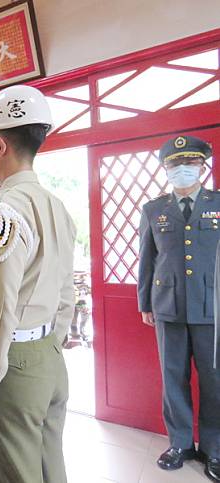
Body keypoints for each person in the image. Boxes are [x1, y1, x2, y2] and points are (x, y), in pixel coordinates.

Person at [0, 85, 76, 483]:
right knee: (49, 468)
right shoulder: (56, 206)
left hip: (13, 365)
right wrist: (53, 342)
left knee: (15, 474)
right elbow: (66, 292)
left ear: (0, 145)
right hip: (49, 357)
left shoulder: (3, 213)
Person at [138, 135, 220, 481]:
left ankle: (214, 449)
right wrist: (144, 302)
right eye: (174, 165)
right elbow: (147, 259)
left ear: (202, 166)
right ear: (166, 170)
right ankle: (181, 443)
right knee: (173, 378)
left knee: (214, 380)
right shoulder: (154, 209)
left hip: (211, 306)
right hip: (167, 305)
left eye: (188, 164)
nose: (181, 170)